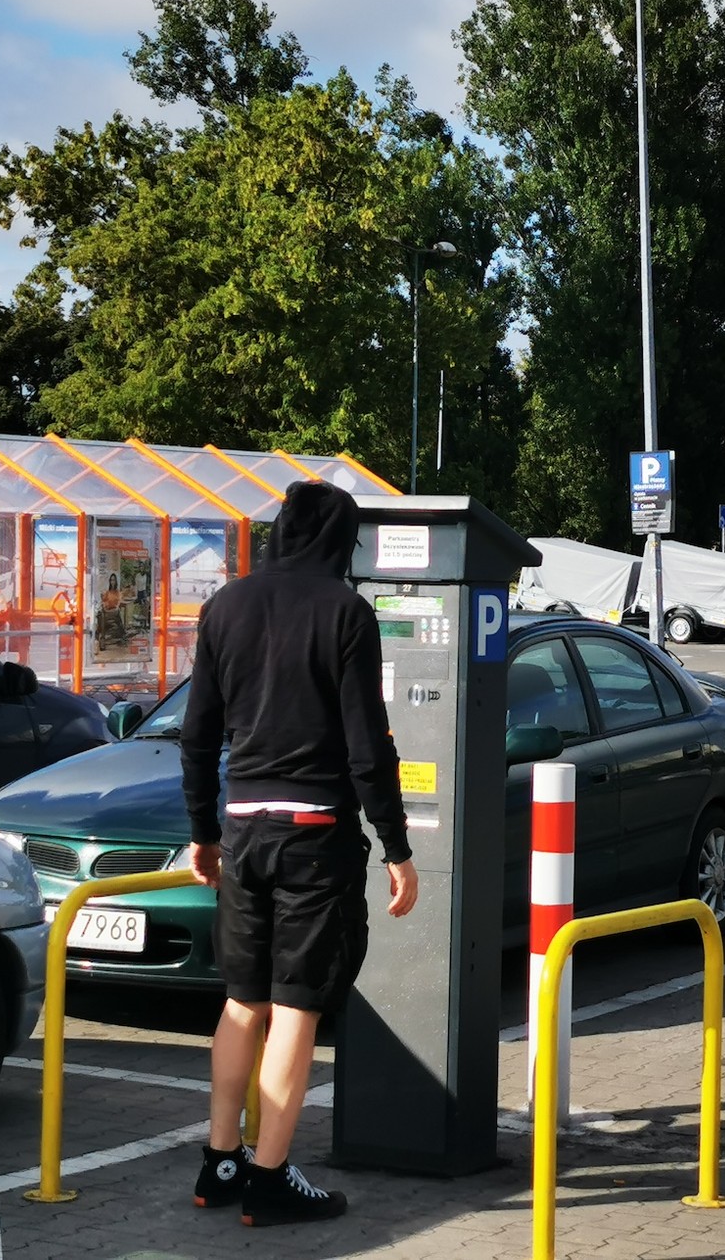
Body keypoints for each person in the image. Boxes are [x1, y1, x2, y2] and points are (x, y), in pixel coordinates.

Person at [179, 479, 418, 1227]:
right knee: (296, 1006)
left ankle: (221, 1161)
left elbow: (198, 734)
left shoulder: (226, 606)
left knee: (241, 1000)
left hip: (243, 829)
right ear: (340, 543)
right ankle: (271, 1179)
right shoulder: (346, 612)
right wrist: (396, 845)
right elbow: (367, 743)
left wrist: (203, 832)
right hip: (314, 836)